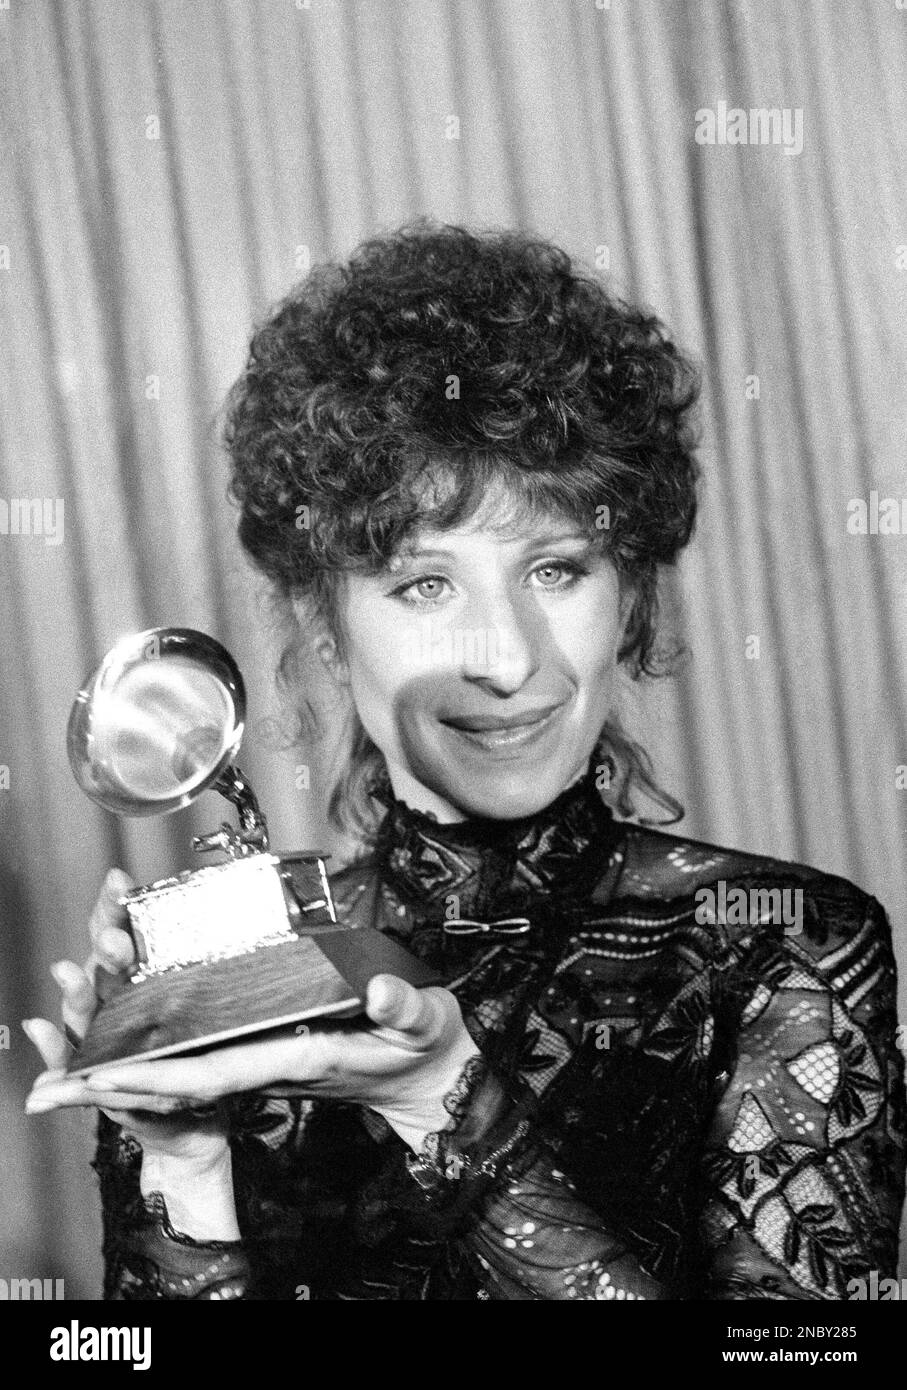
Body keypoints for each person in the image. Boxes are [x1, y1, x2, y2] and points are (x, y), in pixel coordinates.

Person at [25, 222, 906, 1300]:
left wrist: (445, 1099)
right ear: (322, 622)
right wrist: (180, 1161)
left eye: (556, 567)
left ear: (628, 594)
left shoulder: (786, 946)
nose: (505, 658)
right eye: (423, 584)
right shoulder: (227, 990)